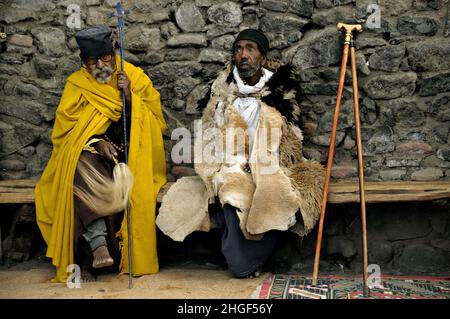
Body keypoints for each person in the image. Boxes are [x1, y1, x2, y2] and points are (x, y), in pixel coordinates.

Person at [157, 29, 325, 278]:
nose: (243, 55)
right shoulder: (221, 93)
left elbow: (290, 139)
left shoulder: (279, 92)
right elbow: (209, 133)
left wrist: (260, 162)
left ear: (262, 58)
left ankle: (246, 260)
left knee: (271, 195)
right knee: (231, 194)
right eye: (238, 49)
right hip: (229, 164)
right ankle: (243, 262)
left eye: (250, 49)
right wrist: (228, 162)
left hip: (268, 163)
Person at [35, 26, 167, 283]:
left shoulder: (135, 77)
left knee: (98, 172)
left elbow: (155, 123)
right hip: (94, 156)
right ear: (83, 63)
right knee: (78, 164)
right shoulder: (77, 85)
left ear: (114, 54)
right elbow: (66, 136)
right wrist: (95, 142)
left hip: (131, 155)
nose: (100, 65)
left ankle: (107, 247)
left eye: (105, 58)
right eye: (92, 61)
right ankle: (99, 245)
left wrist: (129, 96)